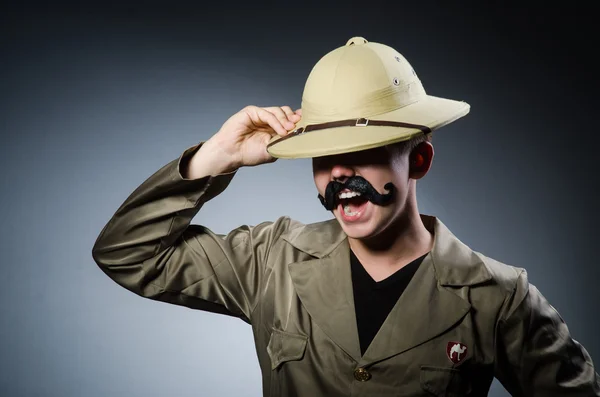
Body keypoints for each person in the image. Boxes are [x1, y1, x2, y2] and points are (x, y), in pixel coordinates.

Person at [92, 36, 599, 396]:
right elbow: (128, 254)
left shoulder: (498, 298)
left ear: (417, 161)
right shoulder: (271, 261)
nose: (339, 175)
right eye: (323, 157)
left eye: (364, 152)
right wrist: (213, 158)